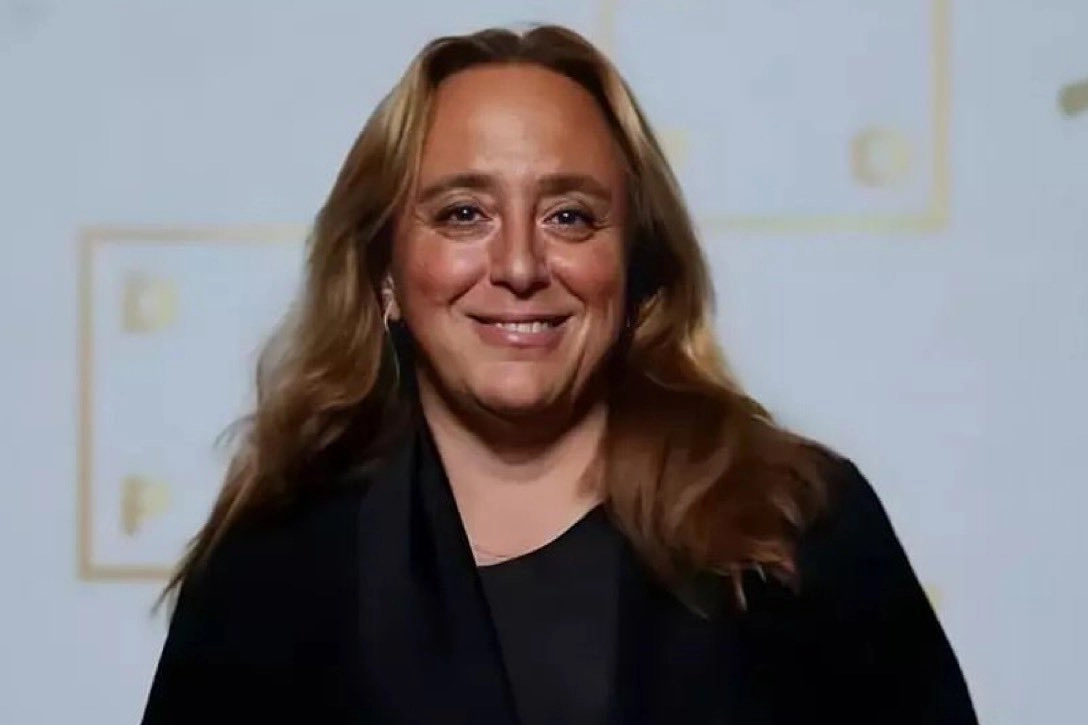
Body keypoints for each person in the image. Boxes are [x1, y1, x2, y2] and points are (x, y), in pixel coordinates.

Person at [139, 23, 979, 725]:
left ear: (636, 266)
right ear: (384, 274)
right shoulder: (272, 572)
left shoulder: (797, 524)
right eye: (464, 212)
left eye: (570, 216)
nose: (519, 265)